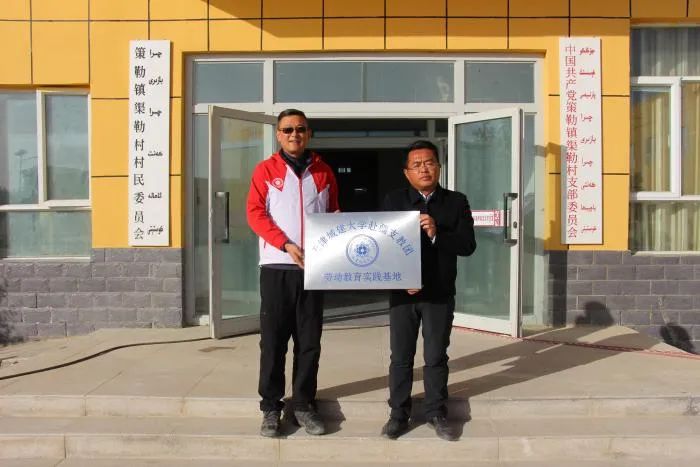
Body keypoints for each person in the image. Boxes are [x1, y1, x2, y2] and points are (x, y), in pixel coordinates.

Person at [246, 109, 339, 437]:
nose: (294, 134)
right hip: (277, 267)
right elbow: (255, 213)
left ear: (308, 133)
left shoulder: (324, 171)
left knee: (309, 341)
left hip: (313, 269)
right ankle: (271, 407)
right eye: (287, 129)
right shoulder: (265, 170)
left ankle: (302, 404)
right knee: (273, 341)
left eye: (300, 129)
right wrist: (285, 244)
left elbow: (333, 212)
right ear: (278, 134)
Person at [380, 140, 476, 441]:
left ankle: (436, 412)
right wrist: (400, 281)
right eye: (417, 164)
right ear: (407, 172)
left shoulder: (456, 202)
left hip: (439, 293)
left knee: (435, 356)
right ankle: (398, 414)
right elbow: (383, 246)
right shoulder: (394, 201)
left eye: (429, 163)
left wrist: (437, 234)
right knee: (401, 357)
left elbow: (468, 245)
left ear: (439, 167)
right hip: (403, 295)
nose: (424, 169)